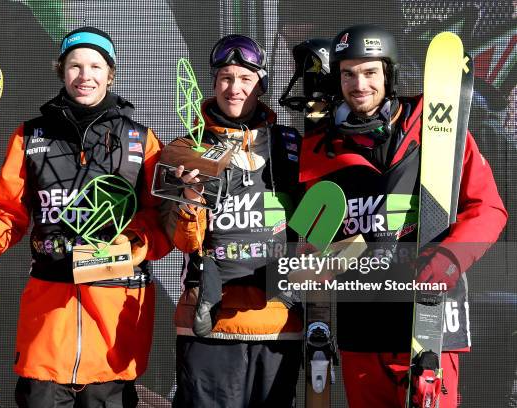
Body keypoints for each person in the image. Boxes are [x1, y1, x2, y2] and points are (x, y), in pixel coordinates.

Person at [0, 26, 172, 407]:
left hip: (113, 327)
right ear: (61, 71)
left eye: (96, 66)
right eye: (75, 66)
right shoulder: (30, 136)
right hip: (48, 323)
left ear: (110, 74)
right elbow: (5, 213)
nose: (86, 76)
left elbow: (161, 218)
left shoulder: (141, 140)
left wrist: (134, 243)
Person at [298, 24, 508, 407]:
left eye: (370, 72)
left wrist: (450, 257)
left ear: (389, 75)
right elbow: (314, 240)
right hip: (363, 325)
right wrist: (318, 260)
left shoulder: (434, 127)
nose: (358, 84)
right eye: (348, 73)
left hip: (428, 320)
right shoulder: (321, 149)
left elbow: (488, 208)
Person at [161, 34, 304, 407]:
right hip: (209, 324)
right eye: (225, 77)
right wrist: (192, 197)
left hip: (278, 323)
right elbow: (182, 242)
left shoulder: (290, 145)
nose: (234, 88)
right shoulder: (187, 147)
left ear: (262, 85)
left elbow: (314, 227)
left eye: (245, 78)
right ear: (213, 84)